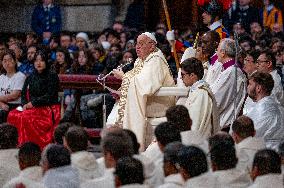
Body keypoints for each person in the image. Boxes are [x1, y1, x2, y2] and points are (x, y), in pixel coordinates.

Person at [108, 32, 175, 150]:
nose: (137, 47)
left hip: (159, 103)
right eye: (136, 44)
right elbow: (136, 82)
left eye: (141, 44)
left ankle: (128, 147)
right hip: (148, 99)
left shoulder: (155, 60)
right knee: (113, 118)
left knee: (115, 119)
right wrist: (122, 92)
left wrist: (123, 77)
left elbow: (145, 85)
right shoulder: (140, 60)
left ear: (152, 46)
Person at [7, 50, 61, 149]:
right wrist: (24, 104)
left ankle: (28, 146)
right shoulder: (31, 77)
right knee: (12, 114)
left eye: (41, 60)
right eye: (36, 60)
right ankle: (16, 145)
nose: (38, 63)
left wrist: (33, 103)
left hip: (47, 108)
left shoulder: (52, 76)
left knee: (25, 116)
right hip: (32, 107)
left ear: (46, 62)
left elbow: (50, 96)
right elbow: (23, 94)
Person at [177, 57, 220, 138]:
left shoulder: (201, 94)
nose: (181, 78)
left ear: (192, 75)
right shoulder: (196, 90)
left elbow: (196, 124)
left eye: (183, 75)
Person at [210, 38, 247, 130]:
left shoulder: (231, 72)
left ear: (223, 53)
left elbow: (217, 101)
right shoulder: (229, 70)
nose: (216, 53)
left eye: (217, 50)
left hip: (224, 124)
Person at [245, 72, 284, 150]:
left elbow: (248, 136)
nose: (247, 87)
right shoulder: (278, 105)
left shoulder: (262, 110)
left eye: (250, 84)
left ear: (258, 88)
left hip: (262, 154)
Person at [0, 50, 26, 123]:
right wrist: (1, 104)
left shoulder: (20, 76)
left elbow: (14, 96)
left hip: (16, 106)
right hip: (3, 105)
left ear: (15, 61)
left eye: (9, 60)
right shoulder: (1, 77)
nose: (7, 63)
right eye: (4, 61)